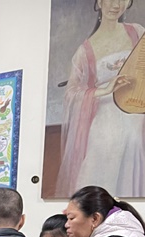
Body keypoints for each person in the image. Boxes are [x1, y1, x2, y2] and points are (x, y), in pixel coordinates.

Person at [55, 0, 145, 198]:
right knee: (103, 161)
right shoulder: (85, 50)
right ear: (99, 2)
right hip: (106, 120)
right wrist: (104, 89)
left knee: (136, 142)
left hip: (137, 112)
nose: (116, 5)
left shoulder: (137, 32)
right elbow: (71, 92)